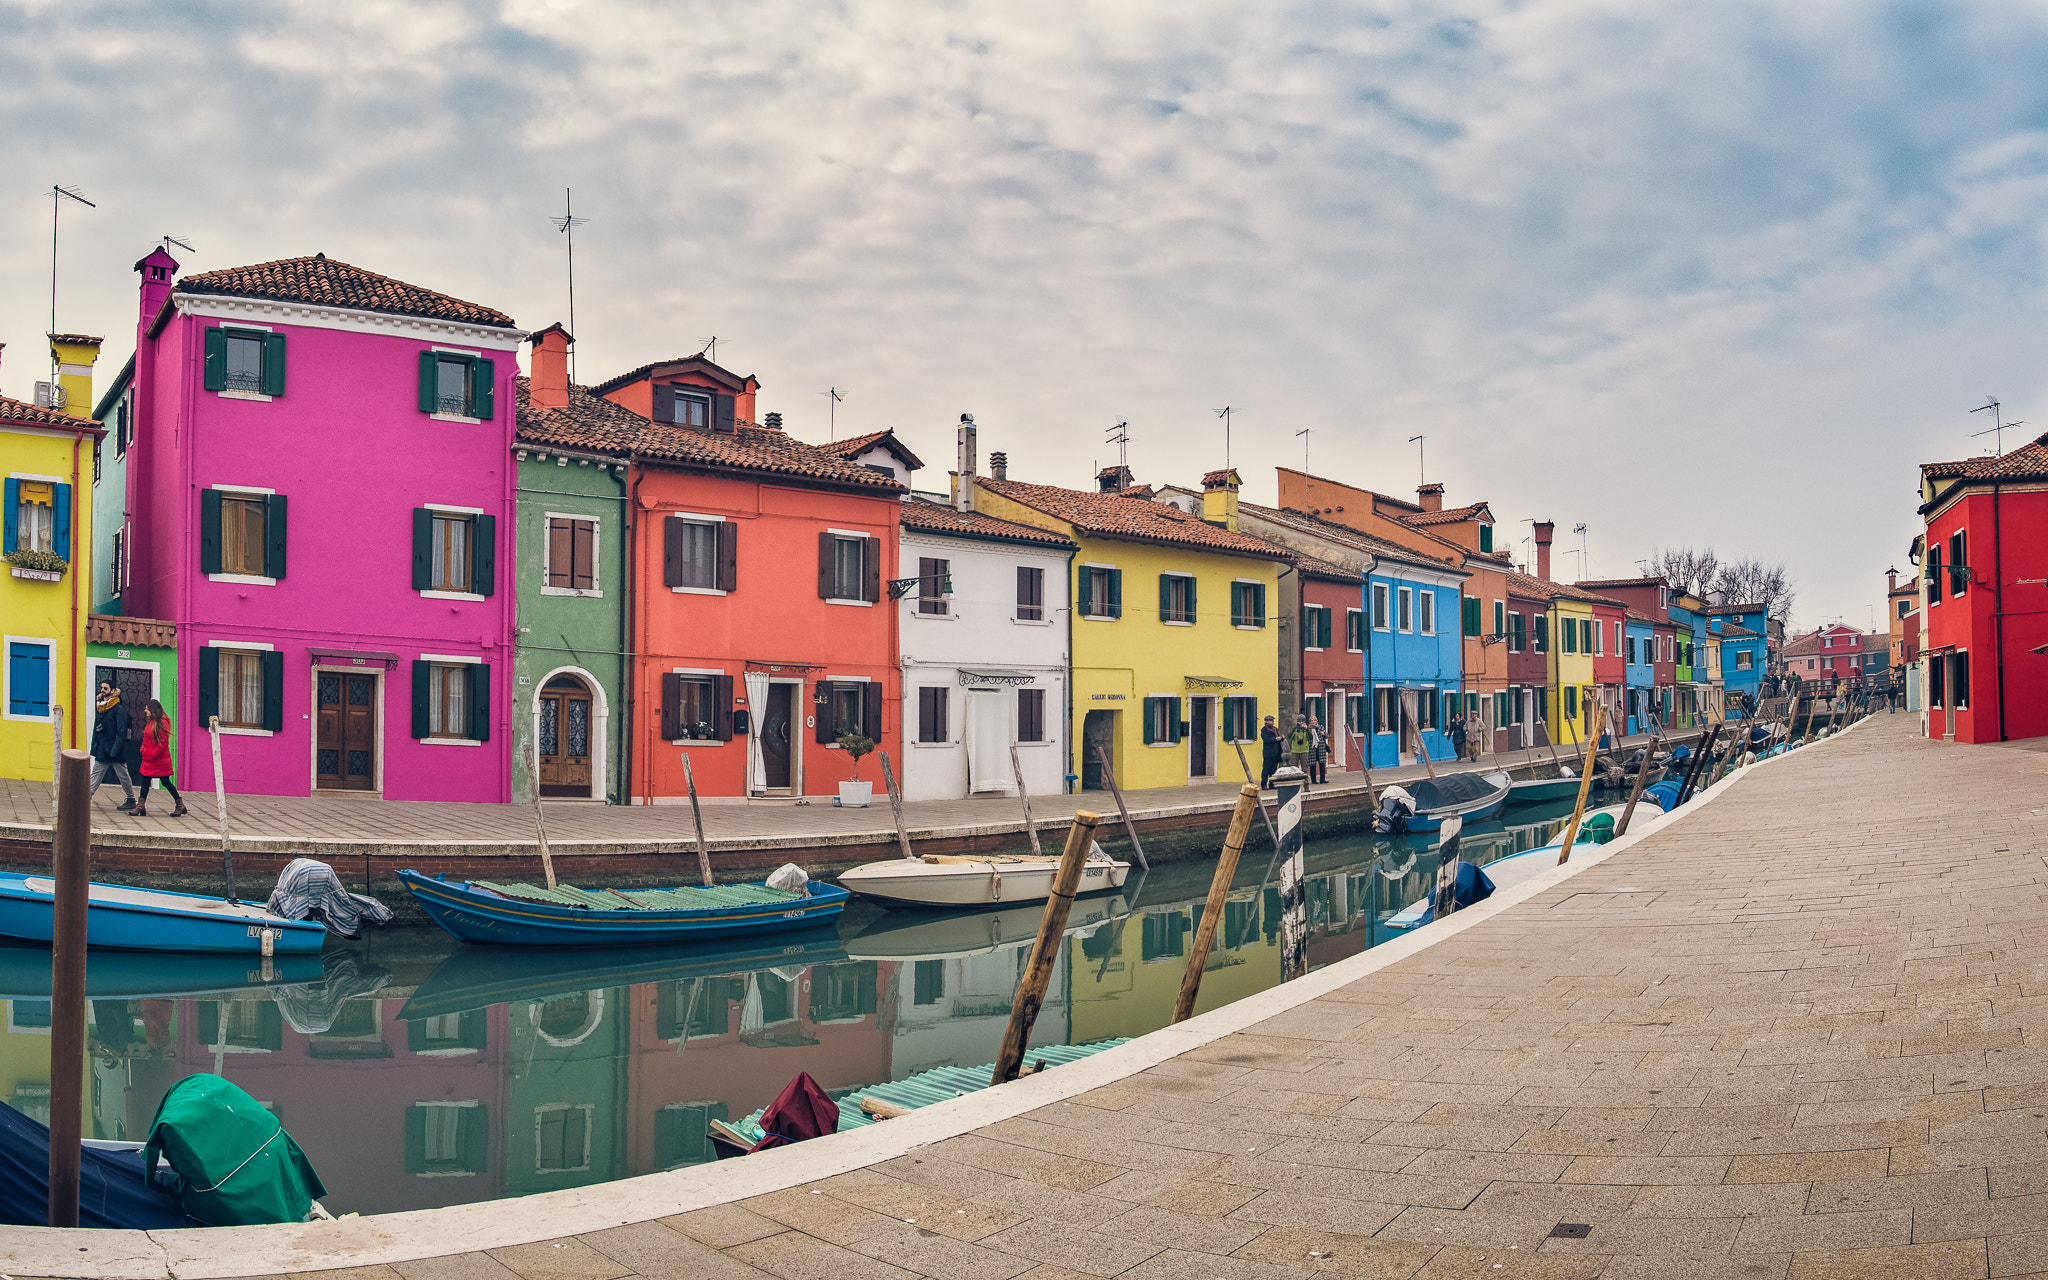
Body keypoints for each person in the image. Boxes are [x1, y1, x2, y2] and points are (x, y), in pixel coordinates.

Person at [89, 681, 139, 811]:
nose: (102, 690)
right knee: (96, 774)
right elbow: (97, 727)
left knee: (123, 775)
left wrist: (114, 750)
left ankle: (131, 799)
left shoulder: (119, 709)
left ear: (112, 691)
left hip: (115, 750)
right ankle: (85, 798)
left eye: (105, 688)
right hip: (102, 748)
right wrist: (94, 746)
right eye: (101, 688)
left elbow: (121, 731)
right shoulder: (100, 706)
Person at [136, 698, 188, 818]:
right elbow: (146, 739)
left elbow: (163, 743)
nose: (145, 711)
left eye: (147, 709)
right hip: (148, 758)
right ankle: (140, 806)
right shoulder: (151, 722)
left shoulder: (162, 722)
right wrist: (143, 750)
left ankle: (180, 805)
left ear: (153, 710)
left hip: (158, 760)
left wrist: (152, 754)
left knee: (165, 782)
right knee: (145, 780)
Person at [1259, 715, 1283, 787]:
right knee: (1266, 769)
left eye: (1272, 720)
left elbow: (1278, 739)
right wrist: (1275, 739)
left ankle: (1272, 784)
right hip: (1268, 753)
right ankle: (1264, 784)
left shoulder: (1275, 729)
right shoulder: (1264, 730)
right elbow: (1266, 739)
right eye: (1269, 720)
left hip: (1276, 752)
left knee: (1273, 770)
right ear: (1266, 721)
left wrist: (1281, 738)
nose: (1271, 722)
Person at [1287, 716, 1313, 781]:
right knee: (1294, 768)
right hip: (1295, 750)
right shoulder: (1294, 728)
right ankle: (1294, 784)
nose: (1301, 722)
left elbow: (1311, 737)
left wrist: (1306, 729)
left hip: (1304, 750)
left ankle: (1306, 785)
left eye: (1302, 721)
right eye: (1299, 721)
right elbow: (1289, 736)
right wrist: (1296, 727)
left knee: (1305, 769)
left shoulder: (1306, 729)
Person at [1306, 710, 1328, 784]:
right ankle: (1313, 780)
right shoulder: (1308, 728)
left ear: (1317, 721)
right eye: (1312, 720)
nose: (1313, 722)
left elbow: (1326, 735)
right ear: (1310, 721)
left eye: (1315, 720)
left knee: (1322, 764)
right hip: (1312, 747)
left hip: (1320, 747)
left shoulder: (1321, 727)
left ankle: (1322, 779)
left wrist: (1323, 733)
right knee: (1312, 765)